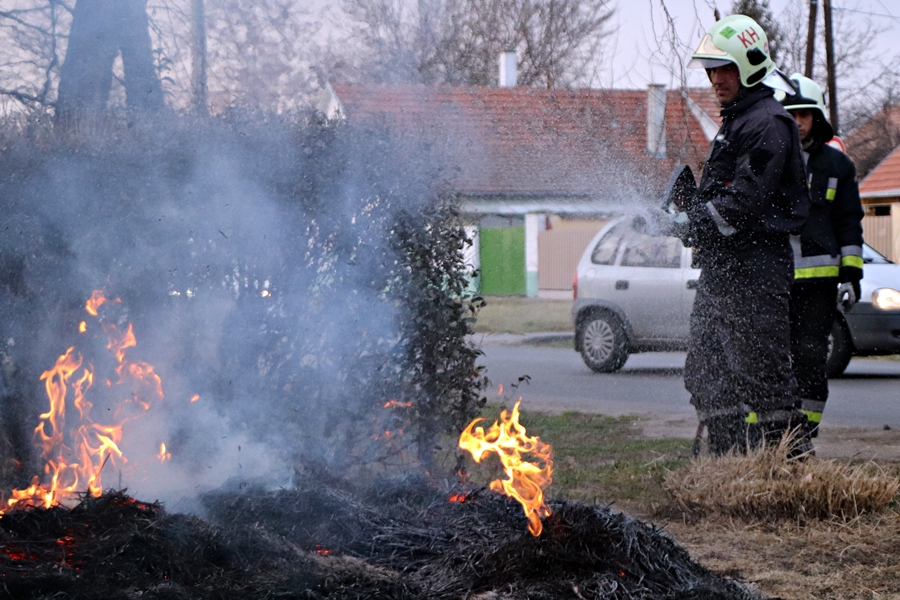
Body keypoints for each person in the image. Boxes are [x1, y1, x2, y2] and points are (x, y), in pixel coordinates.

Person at [682, 14, 811, 455]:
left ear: (750, 65)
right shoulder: (739, 120)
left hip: (756, 266)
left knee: (764, 374)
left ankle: (789, 474)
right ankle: (728, 465)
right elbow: (721, 195)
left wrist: (692, 221)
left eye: (725, 68)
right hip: (726, 265)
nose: (715, 79)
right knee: (707, 369)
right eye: (711, 70)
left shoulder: (767, 122)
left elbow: (743, 202)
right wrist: (685, 213)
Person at [780, 74, 864, 442]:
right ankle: (771, 434)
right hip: (775, 279)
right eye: (791, 113)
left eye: (804, 114)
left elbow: (849, 221)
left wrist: (851, 275)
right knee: (773, 358)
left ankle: (803, 434)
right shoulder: (771, 158)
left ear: (817, 117)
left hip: (819, 283)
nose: (797, 121)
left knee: (811, 354)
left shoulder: (838, 166)